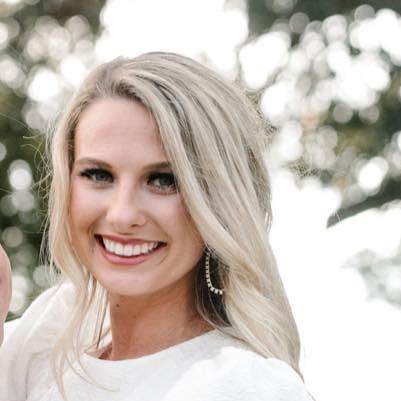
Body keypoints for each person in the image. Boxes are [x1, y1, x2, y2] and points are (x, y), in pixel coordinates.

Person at [0, 52, 314, 401]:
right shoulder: (52, 335)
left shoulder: (245, 387)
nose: (122, 215)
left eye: (163, 180)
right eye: (99, 175)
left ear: (218, 200)